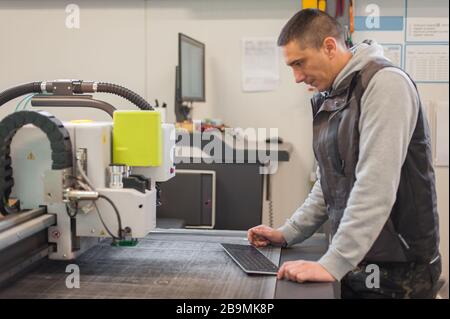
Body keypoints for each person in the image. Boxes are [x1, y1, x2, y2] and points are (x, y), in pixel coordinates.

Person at [248, 9, 441, 299]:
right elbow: (330, 182)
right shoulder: (333, 97)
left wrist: (333, 262)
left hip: (399, 268)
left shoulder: (385, 84)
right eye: (291, 67)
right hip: (358, 260)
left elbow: (375, 185)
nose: (297, 77)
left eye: (300, 63)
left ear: (328, 47)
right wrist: (288, 233)